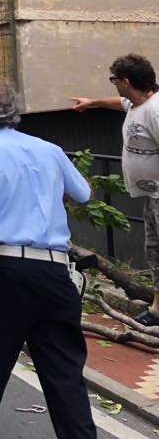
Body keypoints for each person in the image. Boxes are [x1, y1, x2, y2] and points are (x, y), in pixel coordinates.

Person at [0, 82, 95, 439]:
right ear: (15, 115)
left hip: (4, 271)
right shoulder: (50, 150)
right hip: (53, 271)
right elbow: (83, 193)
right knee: (65, 375)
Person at [72, 53, 159, 325]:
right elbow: (119, 103)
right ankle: (157, 306)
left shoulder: (155, 110)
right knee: (154, 248)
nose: (114, 86)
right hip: (149, 194)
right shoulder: (135, 104)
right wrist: (93, 102)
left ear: (125, 80)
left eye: (114, 80)